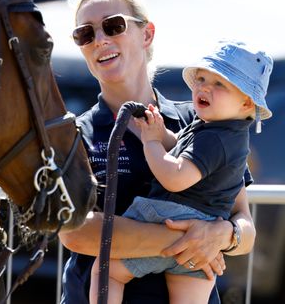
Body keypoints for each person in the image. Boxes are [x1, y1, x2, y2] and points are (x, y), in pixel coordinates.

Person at [58, 0, 257, 304]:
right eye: (85, 33)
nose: (99, 40)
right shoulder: (75, 134)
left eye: (113, 25)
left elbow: (244, 225)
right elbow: (78, 233)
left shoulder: (201, 122)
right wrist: (193, 239)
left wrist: (224, 235)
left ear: (147, 34)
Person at [89, 40, 273, 304]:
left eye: (219, 83)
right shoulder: (222, 132)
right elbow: (183, 149)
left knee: (108, 271)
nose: (204, 86)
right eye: (200, 78)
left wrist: (151, 142)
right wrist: (161, 134)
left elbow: (175, 177)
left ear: (246, 104)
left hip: (170, 217)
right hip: (204, 234)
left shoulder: (216, 137)